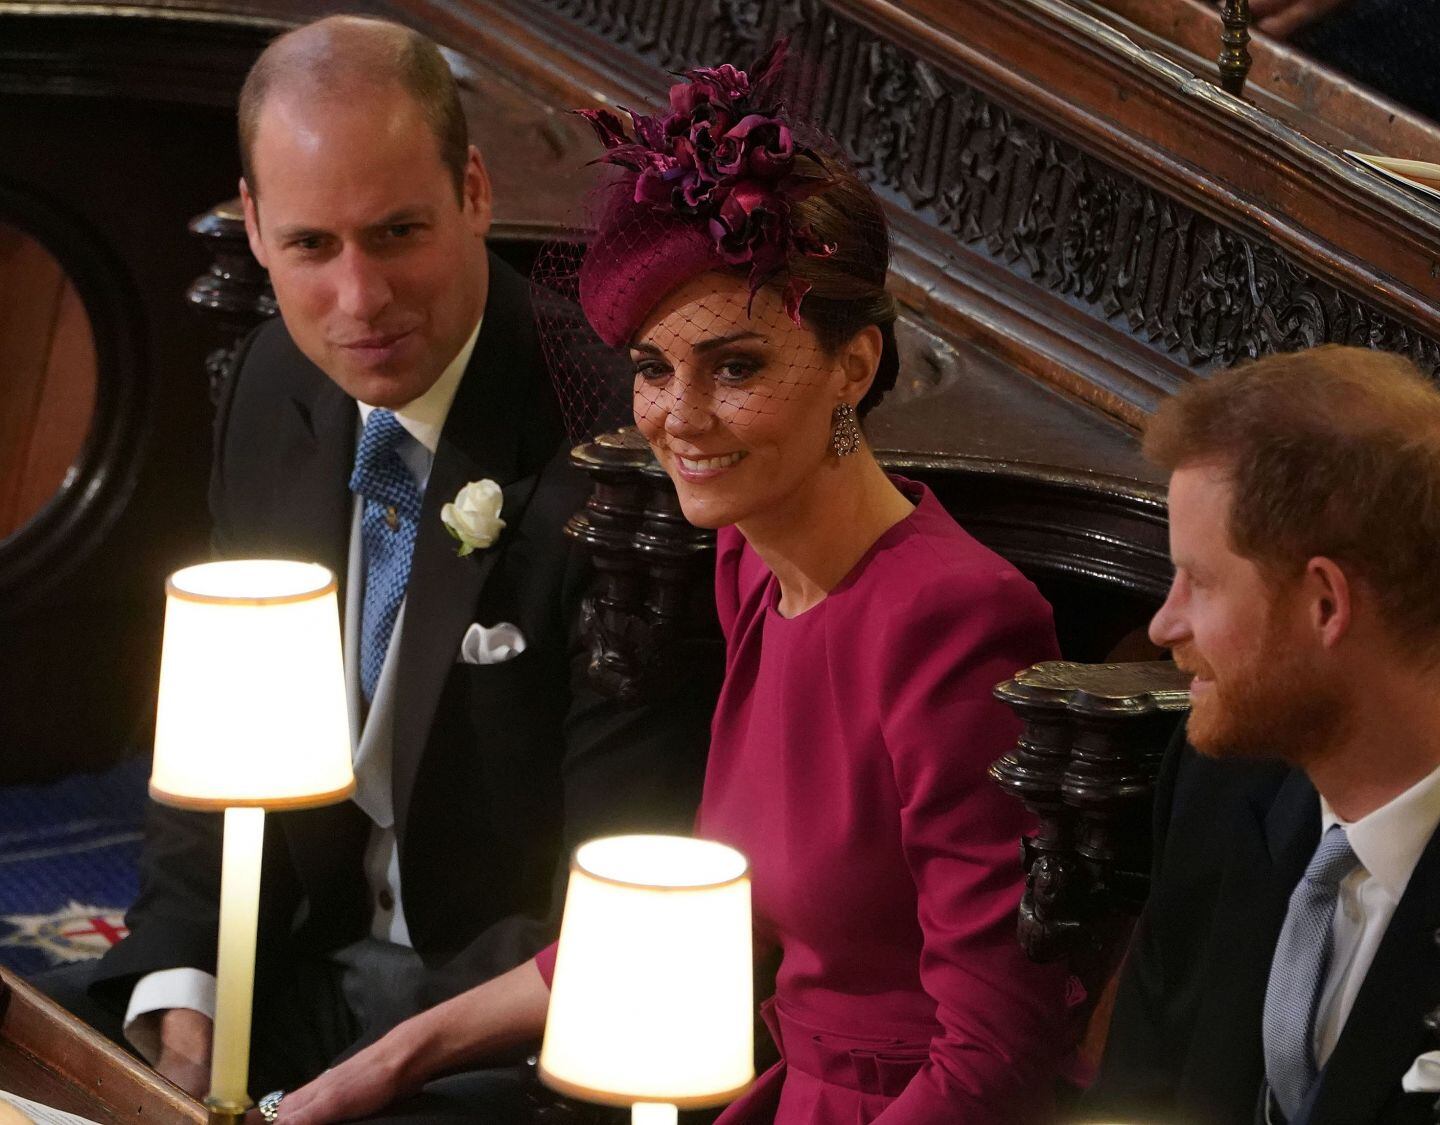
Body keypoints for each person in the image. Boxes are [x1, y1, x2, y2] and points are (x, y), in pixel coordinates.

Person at [270, 42, 1070, 1125]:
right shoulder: (748, 562)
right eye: (653, 369)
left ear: (855, 367)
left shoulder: (951, 617)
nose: (679, 418)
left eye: (734, 368)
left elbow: (994, 1061)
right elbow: (708, 918)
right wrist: (404, 1054)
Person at [71, 15, 712, 1112]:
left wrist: (374, 1071)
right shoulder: (275, 379)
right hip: (303, 965)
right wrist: (187, 1012)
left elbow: (612, 898)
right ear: (257, 225)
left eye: (398, 232)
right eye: (313, 246)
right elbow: (214, 747)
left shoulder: (617, 447)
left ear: (473, 190)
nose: (358, 301)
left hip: (511, 1025)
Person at [1080, 345, 1440, 1125]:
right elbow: (1138, 1094)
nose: (1163, 624)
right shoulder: (1218, 782)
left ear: (1324, 604)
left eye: (1199, 582)